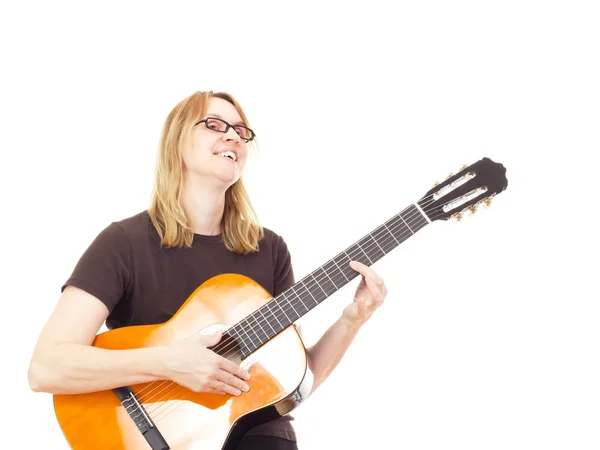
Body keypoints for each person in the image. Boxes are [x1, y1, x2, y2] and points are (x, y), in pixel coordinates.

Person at [27, 90, 388, 450]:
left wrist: (352, 320)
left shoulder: (270, 249)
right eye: (215, 125)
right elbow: (46, 367)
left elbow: (291, 382)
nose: (234, 136)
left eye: (242, 131)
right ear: (177, 141)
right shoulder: (123, 243)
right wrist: (170, 363)